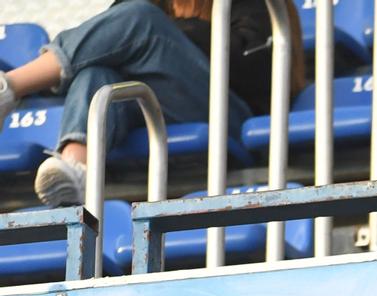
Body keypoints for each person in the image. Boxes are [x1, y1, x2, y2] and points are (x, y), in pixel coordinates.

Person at [0, 0, 303, 208]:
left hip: (233, 116)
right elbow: (105, 40)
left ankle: (10, 88)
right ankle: (76, 169)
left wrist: (171, 34)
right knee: (98, 71)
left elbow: (258, 69)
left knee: (143, 22)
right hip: (162, 109)